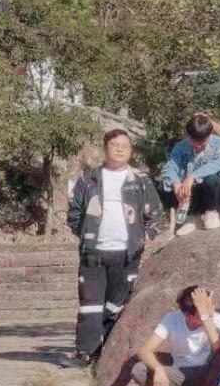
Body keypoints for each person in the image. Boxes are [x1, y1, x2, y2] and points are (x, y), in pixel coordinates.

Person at [67, 128, 162, 364]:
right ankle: (85, 352)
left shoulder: (140, 180)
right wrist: (87, 235)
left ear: (131, 150)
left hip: (127, 253)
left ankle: (107, 353)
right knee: (90, 305)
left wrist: (144, 237)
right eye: (114, 145)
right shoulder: (89, 179)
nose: (120, 149)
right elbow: (74, 213)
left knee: (117, 304)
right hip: (93, 253)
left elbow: (156, 214)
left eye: (125, 146)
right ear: (105, 148)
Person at [131, 285, 220, 386]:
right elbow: (144, 351)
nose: (212, 309)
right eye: (202, 310)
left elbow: (218, 347)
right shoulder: (173, 318)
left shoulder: (218, 319)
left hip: (207, 379)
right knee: (140, 370)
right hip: (180, 375)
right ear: (187, 315)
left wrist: (205, 315)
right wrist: (158, 369)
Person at [159, 112, 220, 235]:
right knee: (165, 185)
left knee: (212, 180)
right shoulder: (181, 146)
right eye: (194, 141)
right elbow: (170, 166)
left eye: (202, 141)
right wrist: (175, 183)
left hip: (216, 194)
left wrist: (192, 176)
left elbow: (218, 164)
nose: (198, 145)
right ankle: (193, 218)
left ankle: (212, 212)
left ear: (209, 135)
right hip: (192, 194)